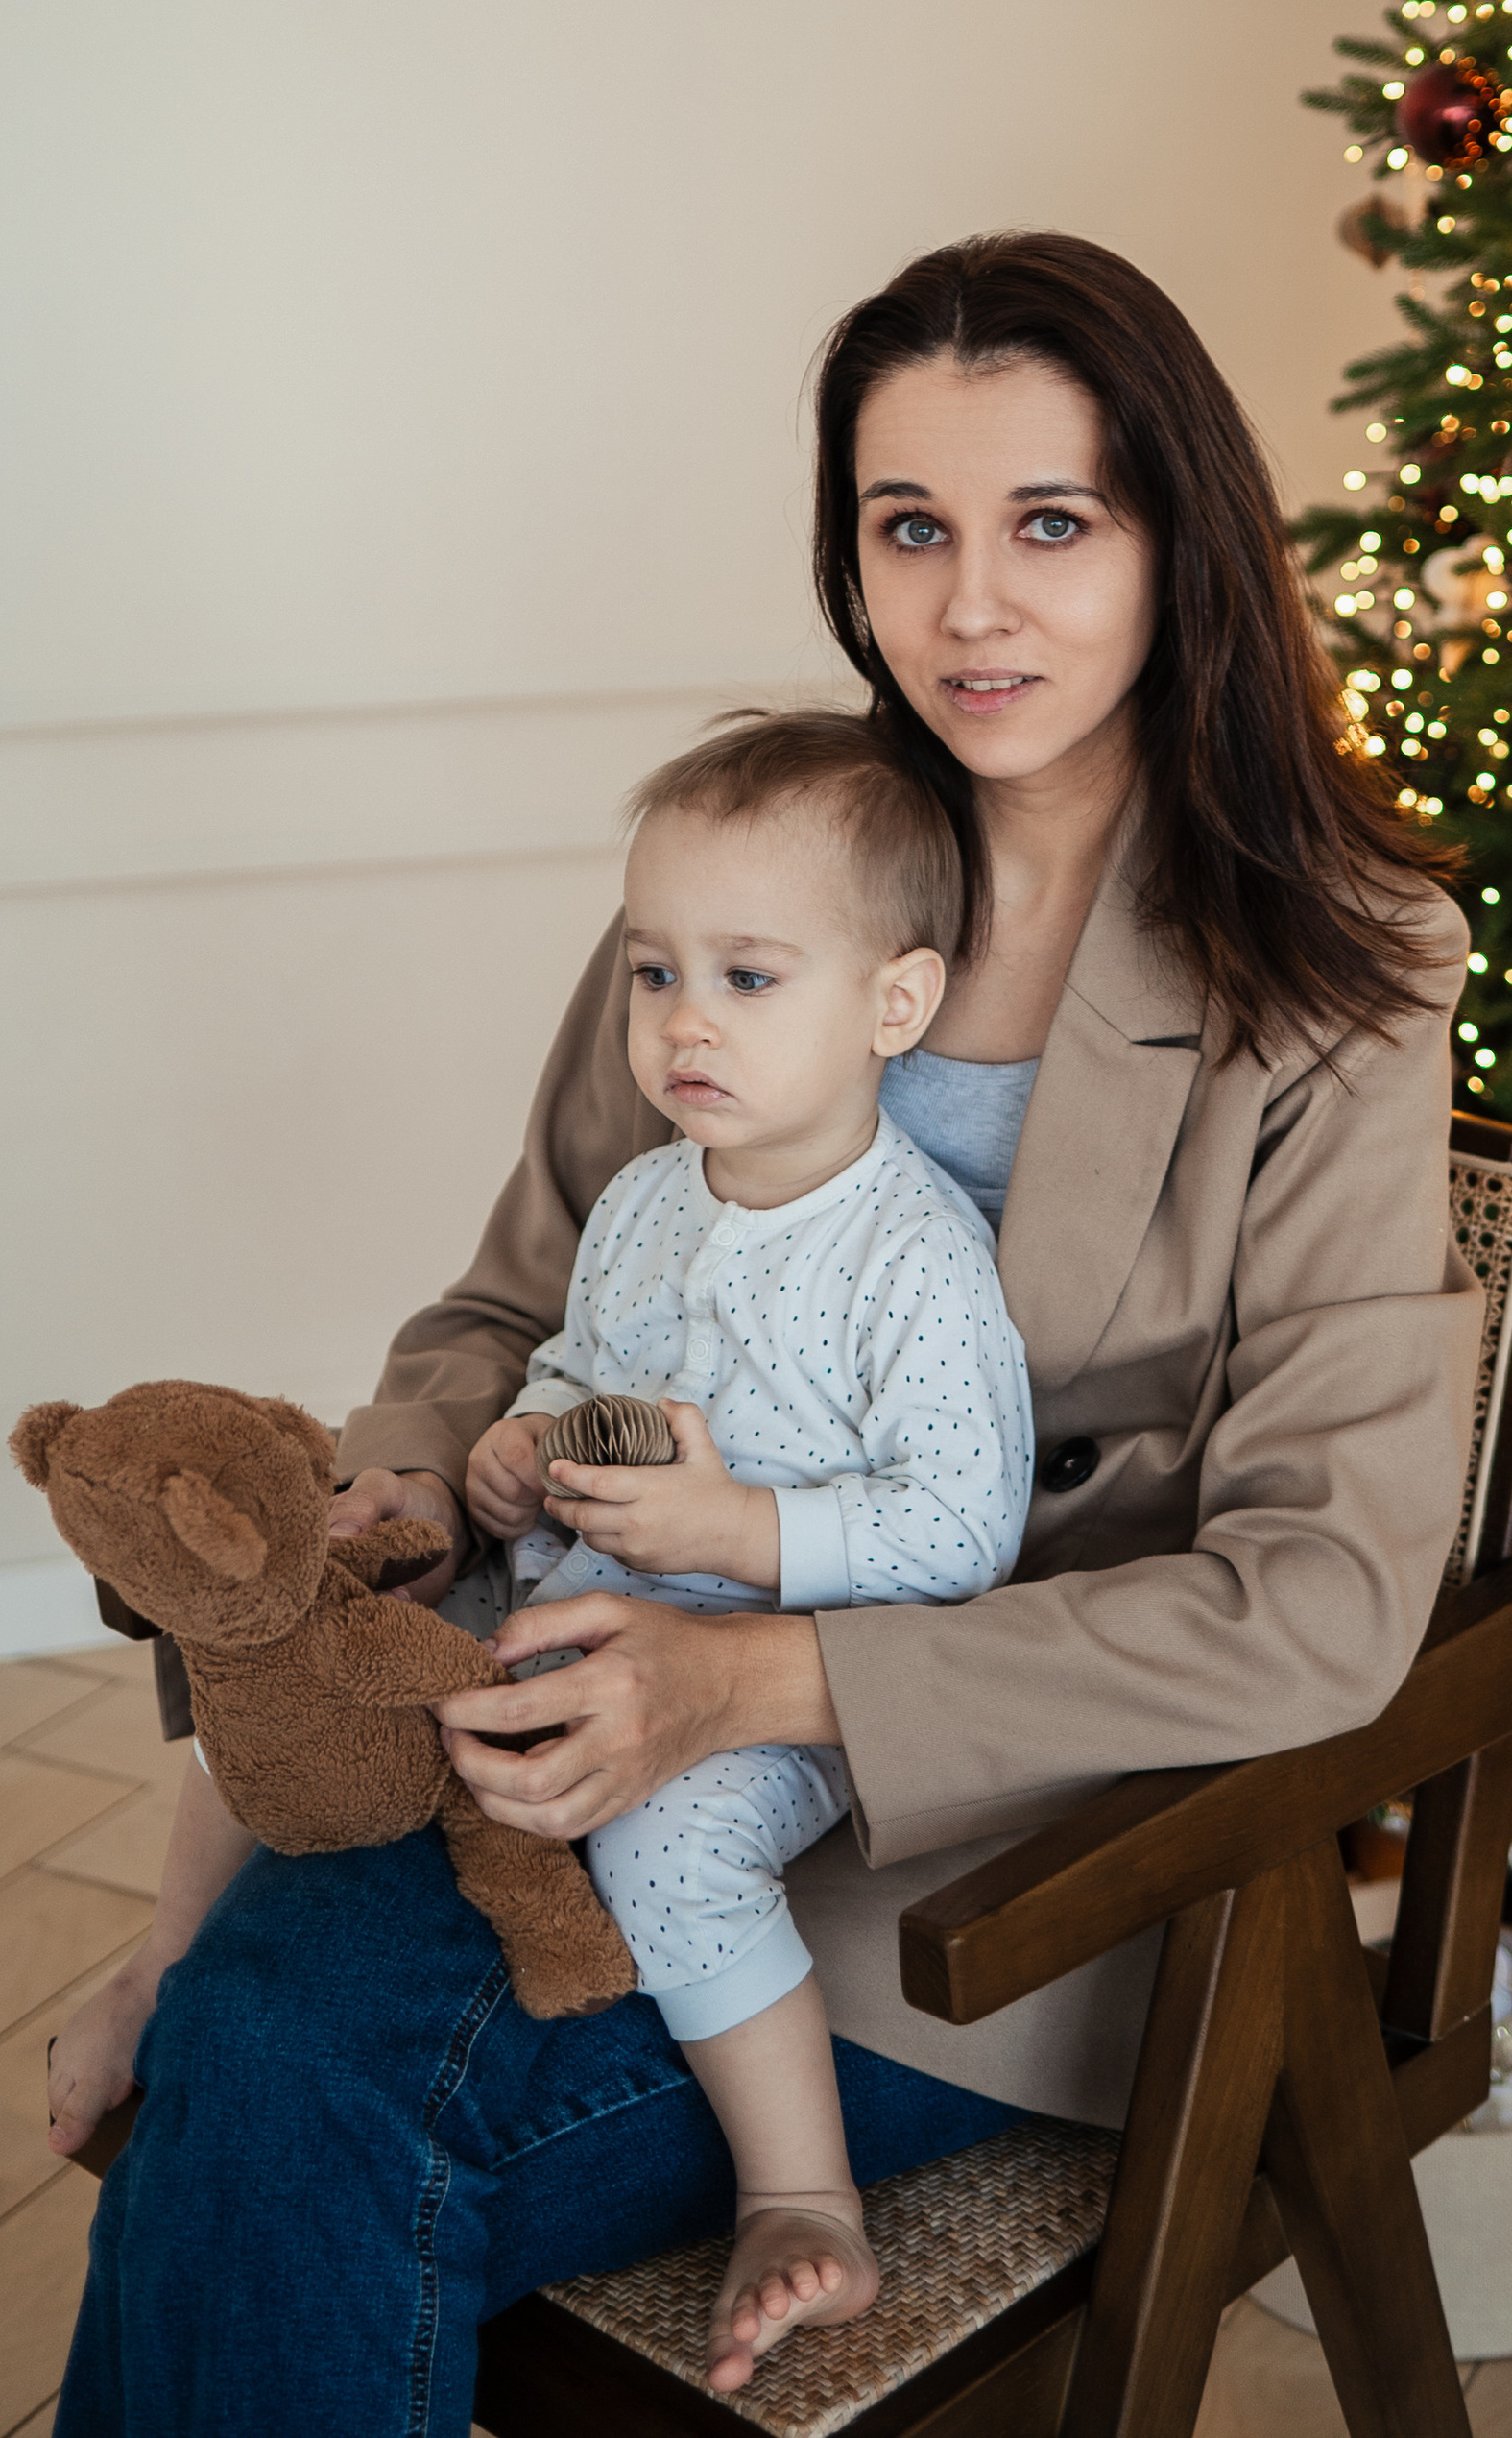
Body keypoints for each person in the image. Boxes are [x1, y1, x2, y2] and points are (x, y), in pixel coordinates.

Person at [48, 229, 1476, 2438]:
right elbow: (510, 1300)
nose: (969, 606)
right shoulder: (757, 869)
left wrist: (765, 1677)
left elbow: (1319, 1593)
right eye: (909, 528)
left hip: (983, 1875)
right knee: (253, 2040)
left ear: (1178, 543)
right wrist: (412, 1481)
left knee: (278, 2088)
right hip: (562, 1708)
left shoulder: (1334, 970)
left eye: (1049, 524)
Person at [464, 709, 1034, 2387]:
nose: (684, 1021)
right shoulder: (649, 1198)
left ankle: (800, 2190)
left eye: (748, 977)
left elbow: (962, 1527)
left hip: (787, 1688)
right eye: (656, 971)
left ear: (894, 1006)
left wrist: (740, 1532)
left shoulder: (914, 1256)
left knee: (672, 1848)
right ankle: (176, 1965)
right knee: (336, 1677)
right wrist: (528, 1435)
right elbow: (583, 1366)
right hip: (583, 1604)